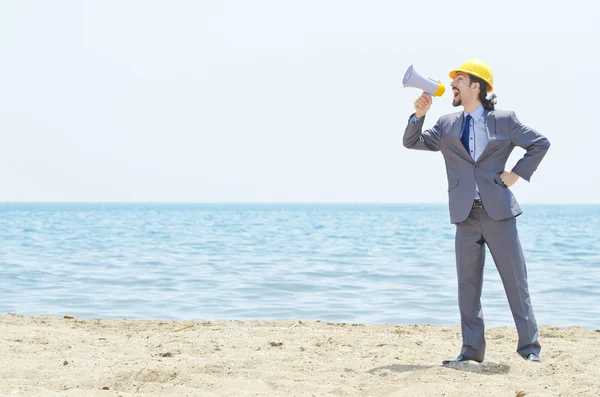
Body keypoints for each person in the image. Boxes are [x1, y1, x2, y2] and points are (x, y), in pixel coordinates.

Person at [403, 58, 550, 364]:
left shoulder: (505, 120)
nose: (452, 84)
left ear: (476, 86)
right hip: (465, 215)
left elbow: (539, 143)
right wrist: (419, 115)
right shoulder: (446, 124)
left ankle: (530, 350)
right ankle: (471, 352)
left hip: (499, 214)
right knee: (467, 287)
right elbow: (412, 142)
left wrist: (517, 173)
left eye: (458, 79)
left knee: (515, 282)